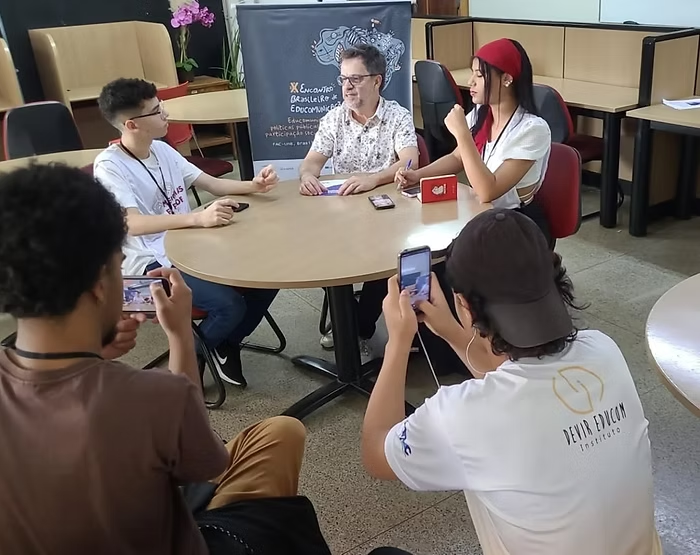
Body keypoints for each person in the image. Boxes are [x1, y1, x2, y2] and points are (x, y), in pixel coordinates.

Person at [0, 164, 332, 555]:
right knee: (281, 434)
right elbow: (206, 466)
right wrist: (182, 336)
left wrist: (95, 353)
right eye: (119, 265)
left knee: (279, 432)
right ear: (99, 284)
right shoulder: (154, 396)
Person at [361, 209, 662, 555]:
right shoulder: (603, 350)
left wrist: (398, 343)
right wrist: (450, 332)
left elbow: (376, 453)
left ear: (465, 305)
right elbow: (512, 384)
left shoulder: (463, 413)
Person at [94, 77, 279, 387]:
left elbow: (212, 184)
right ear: (132, 125)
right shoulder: (109, 166)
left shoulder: (161, 150)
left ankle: (222, 343)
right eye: (156, 111)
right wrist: (197, 219)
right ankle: (190, 361)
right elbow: (132, 224)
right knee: (229, 305)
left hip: (190, 246)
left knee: (270, 275)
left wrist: (254, 186)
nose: (165, 114)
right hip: (146, 267)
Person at [298, 44, 419, 353]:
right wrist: (308, 176)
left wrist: (373, 179)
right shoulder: (334, 119)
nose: (347, 87)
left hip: (388, 217)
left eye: (355, 79)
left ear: (377, 80)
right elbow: (311, 161)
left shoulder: (397, 116)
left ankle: (356, 327)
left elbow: (410, 161)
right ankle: (347, 321)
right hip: (343, 216)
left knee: (387, 259)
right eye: (343, 79)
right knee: (313, 252)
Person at [397, 38, 552, 245]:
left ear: (507, 79)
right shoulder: (482, 113)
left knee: (450, 254)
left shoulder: (532, 129)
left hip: (516, 223)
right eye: (472, 73)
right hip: (482, 213)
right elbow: (457, 157)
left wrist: (462, 133)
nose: (471, 81)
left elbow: (488, 191)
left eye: (479, 75)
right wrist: (417, 175)